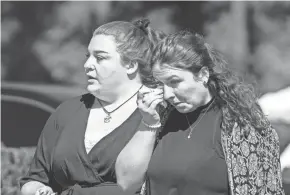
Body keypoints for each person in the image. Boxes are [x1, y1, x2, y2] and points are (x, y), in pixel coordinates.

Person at [118, 31, 286, 195]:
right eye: (161, 85)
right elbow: (126, 182)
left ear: (203, 75)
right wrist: (148, 123)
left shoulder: (241, 126)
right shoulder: (160, 119)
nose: (167, 94)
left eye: (174, 81)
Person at [19, 19, 165, 195]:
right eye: (88, 56)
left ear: (131, 65)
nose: (87, 65)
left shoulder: (159, 114)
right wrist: (37, 190)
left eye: (100, 57)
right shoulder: (68, 111)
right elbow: (34, 179)